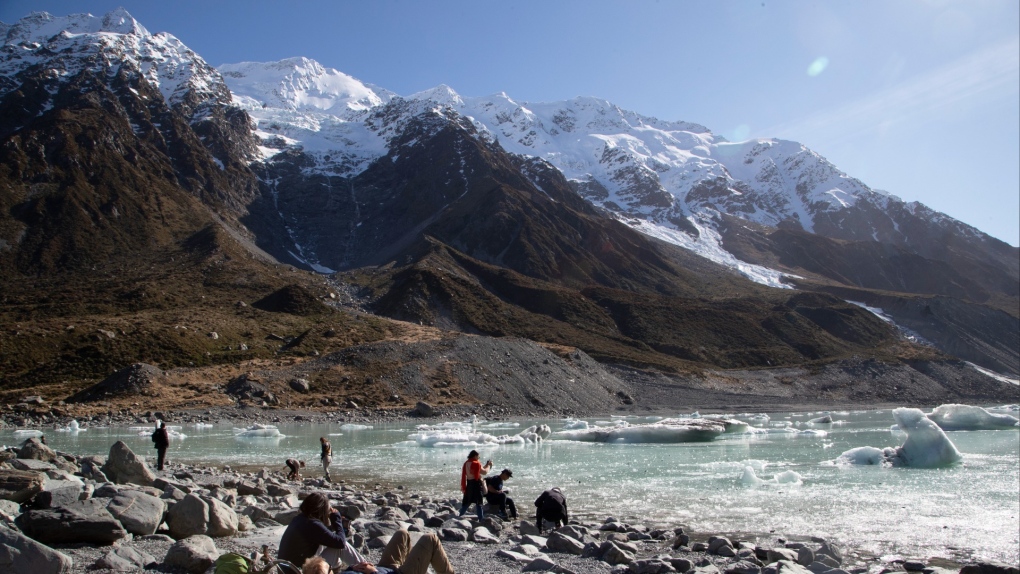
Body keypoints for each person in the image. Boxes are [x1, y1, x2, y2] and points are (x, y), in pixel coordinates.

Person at [278, 492, 365, 570]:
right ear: (321, 510)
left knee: (329, 544)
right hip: (301, 571)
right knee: (341, 547)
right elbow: (340, 543)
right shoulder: (312, 523)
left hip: (287, 569)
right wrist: (337, 520)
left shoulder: (300, 518)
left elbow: (322, 534)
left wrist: (334, 526)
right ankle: (367, 569)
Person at [338, 529, 454, 574]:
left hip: (385, 568)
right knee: (430, 538)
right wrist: (373, 572)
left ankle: (414, 567)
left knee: (401, 534)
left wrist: (353, 567)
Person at [458, 450, 492, 520]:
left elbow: (479, 470)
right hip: (476, 484)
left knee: (467, 501)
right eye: (478, 456)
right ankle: (481, 519)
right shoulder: (476, 463)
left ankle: (460, 516)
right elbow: (484, 472)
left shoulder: (466, 463)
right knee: (479, 502)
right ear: (475, 456)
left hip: (469, 483)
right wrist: (489, 466)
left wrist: (486, 465)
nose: (479, 458)